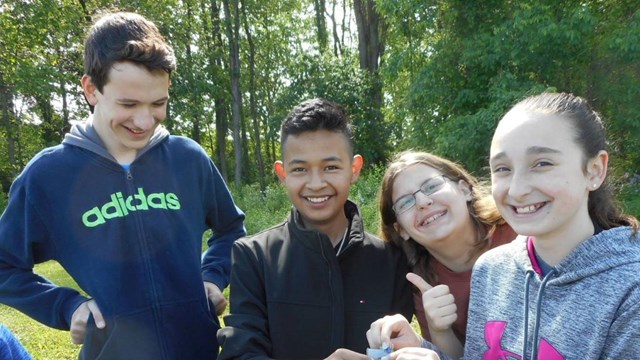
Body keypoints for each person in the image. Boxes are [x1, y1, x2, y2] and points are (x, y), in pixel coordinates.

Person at [0, 11, 246, 359]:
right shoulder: (48, 176)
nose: (144, 120)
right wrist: (66, 306)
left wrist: (211, 277)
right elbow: (4, 266)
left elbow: (231, 228)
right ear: (91, 89)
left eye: (158, 103)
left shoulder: (187, 159)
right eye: (128, 104)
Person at [366, 92, 640, 359]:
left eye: (541, 163)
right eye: (503, 169)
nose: (517, 189)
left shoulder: (630, 290)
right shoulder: (491, 269)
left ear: (594, 170)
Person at [216, 98, 413, 359]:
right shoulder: (253, 257)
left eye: (331, 167)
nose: (316, 183)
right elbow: (241, 353)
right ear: (282, 173)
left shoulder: (391, 261)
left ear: (354, 169)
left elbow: (402, 350)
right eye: (300, 169)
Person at [378, 150, 515, 358]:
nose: (423, 202)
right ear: (401, 230)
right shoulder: (420, 284)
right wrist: (440, 330)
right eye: (405, 202)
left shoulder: (517, 230)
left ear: (465, 189)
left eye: (432, 186)